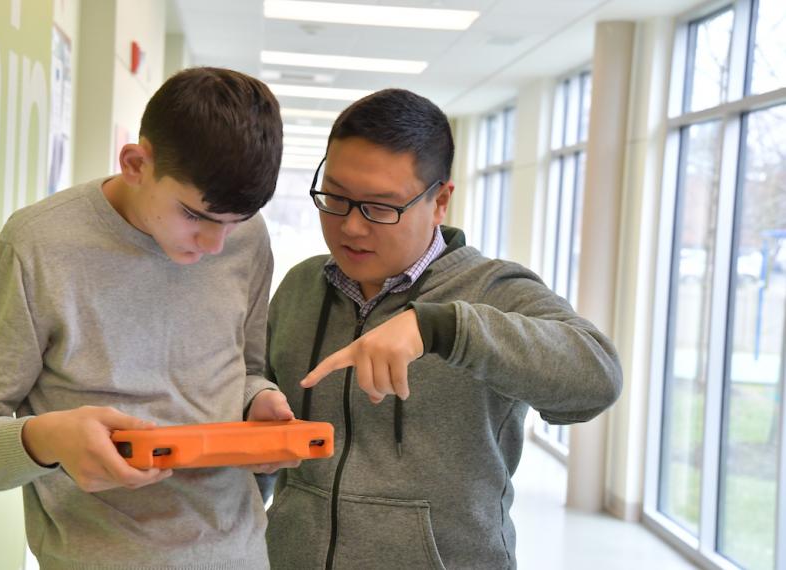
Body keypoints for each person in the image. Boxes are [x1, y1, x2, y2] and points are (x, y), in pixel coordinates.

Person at [0, 67, 295, 570]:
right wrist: (50, 439)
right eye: (195, 216)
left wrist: (261, 402)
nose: (215, 245)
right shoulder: (38, 247)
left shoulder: (247, 239)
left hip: (241, 553)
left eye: (233, 224)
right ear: (135, 163)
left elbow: (246, 372)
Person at [263, 88, 623, 569]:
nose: (350, 227)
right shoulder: (301, 286)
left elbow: (597, 376)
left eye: (380, 207)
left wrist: (444, 329)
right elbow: (262, 421)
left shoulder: (492, 289)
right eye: (336, 198)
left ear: (440, 202)